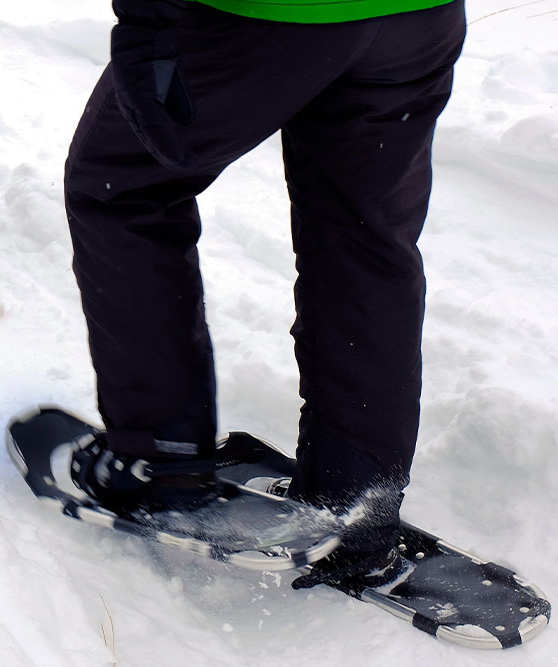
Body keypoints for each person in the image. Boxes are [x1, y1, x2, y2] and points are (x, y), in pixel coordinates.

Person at [64, 0, 466, 588]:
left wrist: (150, 27)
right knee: (365, 241)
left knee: (124, 187)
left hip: (263, 17)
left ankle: (159, 458)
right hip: (417, 20)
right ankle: (355, 499)